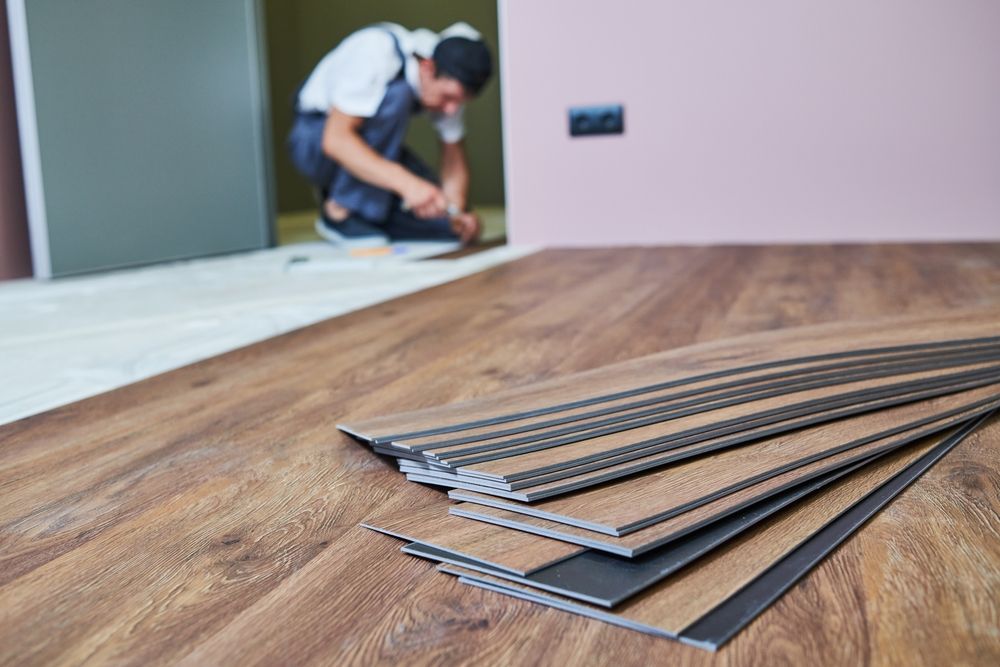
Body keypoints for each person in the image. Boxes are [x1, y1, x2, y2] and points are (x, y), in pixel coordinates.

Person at [287, 22, 493, 247]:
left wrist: (456, 212)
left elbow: (453, 157)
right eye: (448, 97)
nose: (451, 109)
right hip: (315, 142)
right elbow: (335, 140)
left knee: (439, 215)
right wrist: (408, 185)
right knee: (398, 95)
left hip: (374, 149)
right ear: (427, 67)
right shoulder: (376, 51)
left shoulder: (448, 86)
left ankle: (369, 214)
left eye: (460, 102)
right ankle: (339, 210)